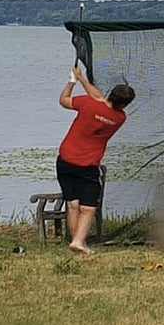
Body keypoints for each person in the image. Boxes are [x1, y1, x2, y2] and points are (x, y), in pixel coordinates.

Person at [57, 64, 135, 254]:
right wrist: (82, 79)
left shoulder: (88, 104)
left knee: (73, 204)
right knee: (88, 208)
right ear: (124, 105)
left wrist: (73, 81)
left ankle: (77, 242)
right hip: (87, 166)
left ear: (110, 94)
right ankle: (78, 242)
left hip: (65, 159)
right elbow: (99, 99)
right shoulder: (119, 118)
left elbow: (64, 100)